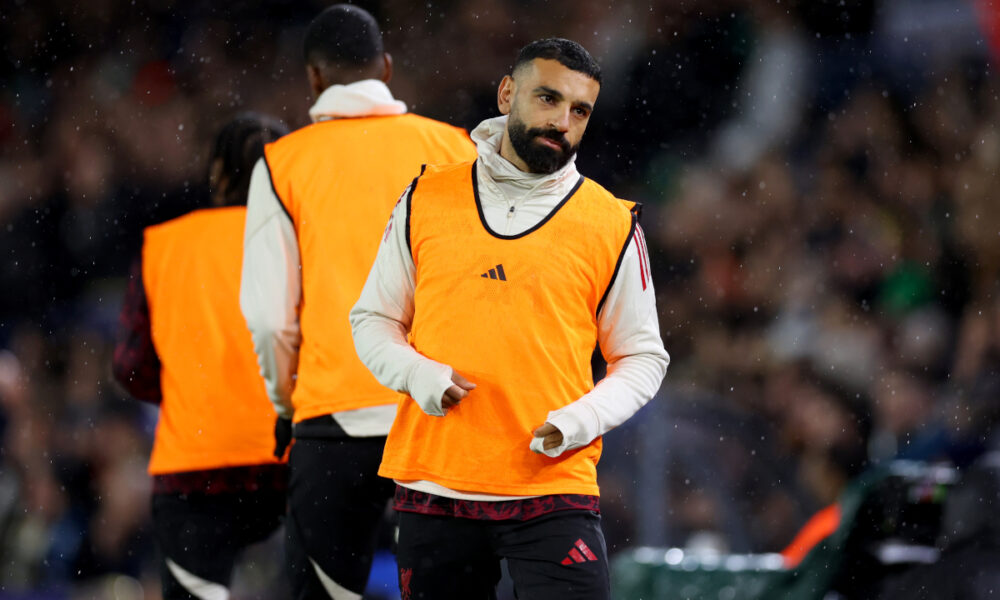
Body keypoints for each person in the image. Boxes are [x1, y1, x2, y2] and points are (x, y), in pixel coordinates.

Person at [350, 38, 670, 599]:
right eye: (548, 99)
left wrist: (580, 419)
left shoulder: (611, 222)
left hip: (555, 487)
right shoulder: (424, 197)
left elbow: (643, 356)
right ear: (506, 93)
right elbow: (373, 319)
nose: (563, 122)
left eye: (580, 111)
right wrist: (417, 375)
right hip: (435, 482)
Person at [239, 5, 477, 599]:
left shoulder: (283, 163)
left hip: (334, 419)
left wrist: (285, 404)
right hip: (441, 413)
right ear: (387, 67)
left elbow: (269, 319)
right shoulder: (456, 150)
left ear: (314, 79)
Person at [112, 112, 290, 599]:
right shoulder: (306, 243)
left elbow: (129, 364)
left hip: (194, 468)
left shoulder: (163, 246)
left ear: (217, 173)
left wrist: (189, 387)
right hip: (295, 462)